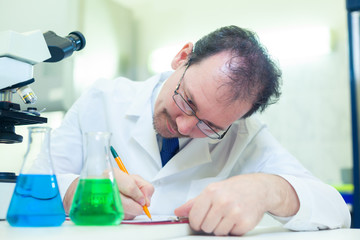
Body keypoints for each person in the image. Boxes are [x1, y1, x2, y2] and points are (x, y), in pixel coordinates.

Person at [50, 25, 350, 236]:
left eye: (209, 126)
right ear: (182, 57)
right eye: (187, 100)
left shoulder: (245, 136)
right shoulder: (102, 100)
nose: (183, 126)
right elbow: (24, 191)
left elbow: (335, 210)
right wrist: (77, 191)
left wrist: (266, 189)